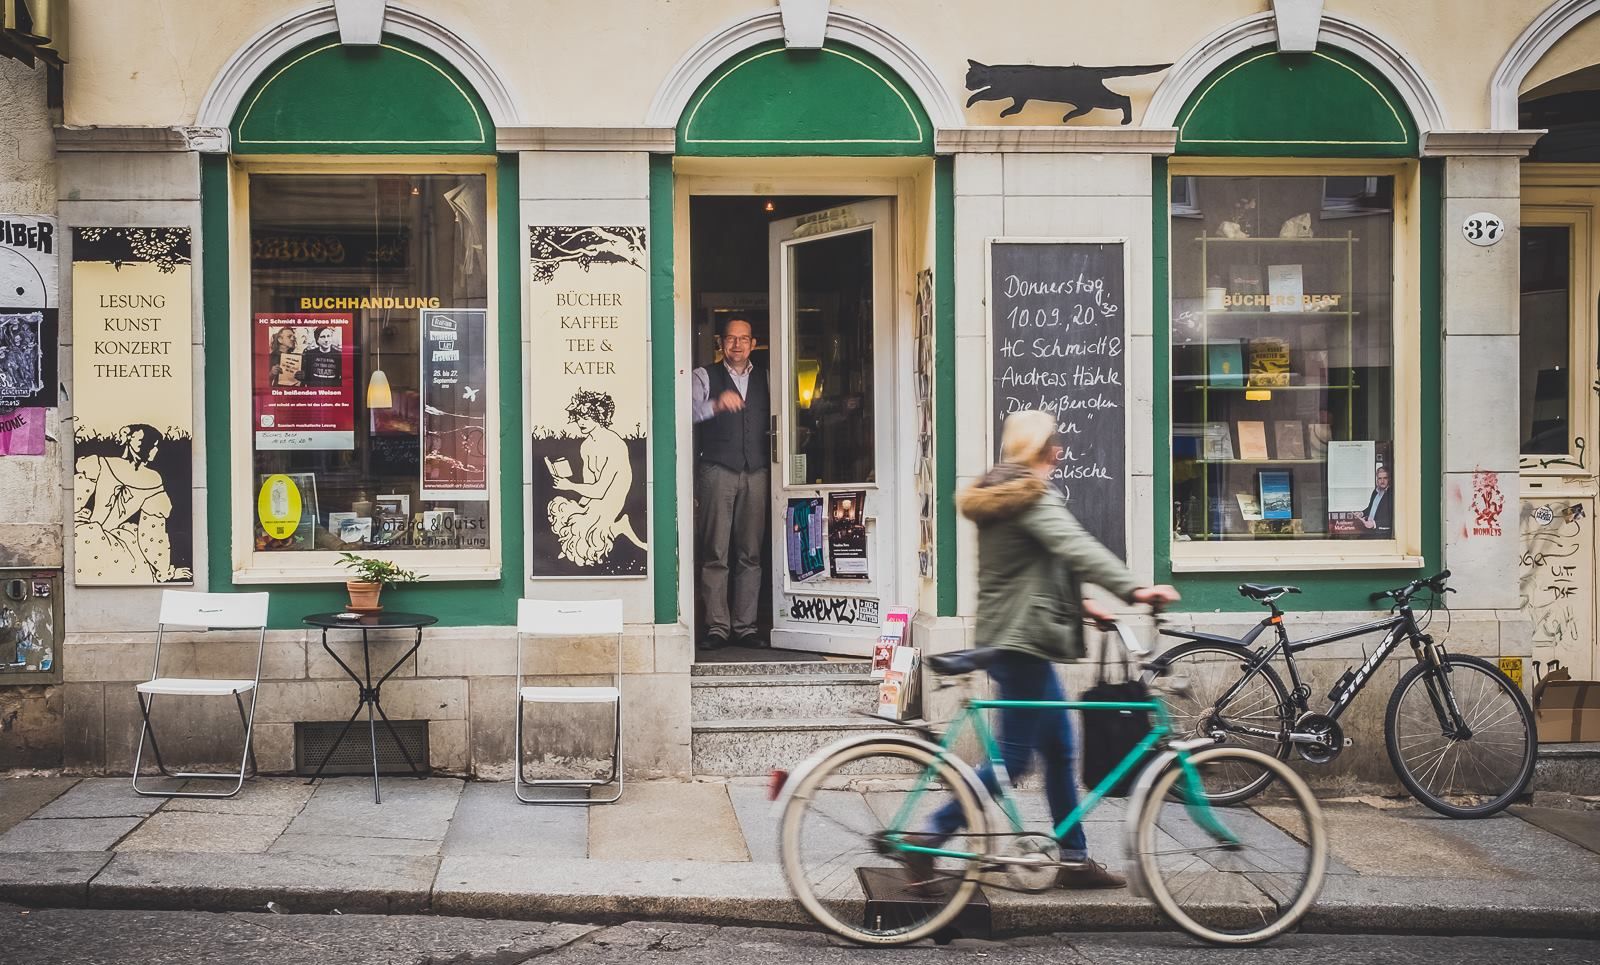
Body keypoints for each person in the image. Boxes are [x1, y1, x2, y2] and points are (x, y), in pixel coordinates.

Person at [907, 409, 1180, 890]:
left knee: (1058, 748)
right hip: (1022, 644)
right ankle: (933, 831)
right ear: (1040, 449)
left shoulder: (1003, 493)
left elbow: (1030, 568)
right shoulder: (1029, 496)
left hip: (1014, 636)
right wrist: (1135, 590)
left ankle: (1073, 857)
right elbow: (1076, 548)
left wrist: (1081, 603)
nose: (1060, 452)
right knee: (1014, 760)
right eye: (1055, 444)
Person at [691, 318, 769, 651]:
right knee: (715, 552)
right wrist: (716, 405)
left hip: (757, 470)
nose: (737, 345)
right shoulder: (704, 375)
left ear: (753, 343)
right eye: (731, 339)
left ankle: (746, 626)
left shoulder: (766, 376)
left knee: (750, 553)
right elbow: (687, 413)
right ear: (721, 343)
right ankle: (717, 626)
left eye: (744, 339)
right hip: (717, 469)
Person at [73, 424, 191, 583]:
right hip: (98, 542)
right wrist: (165, 571)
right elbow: (151, 533)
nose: (155, 451)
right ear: (140, 444)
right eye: (153, 446)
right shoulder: (149, 478)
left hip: (88, 538)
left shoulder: (101, 464)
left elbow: (151, 531)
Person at [546, 390, 647, 566]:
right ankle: (609, 529)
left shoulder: (614, 444)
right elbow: (589, 484)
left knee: (583, 537)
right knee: (560, 510)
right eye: (578, 417)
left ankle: (618, 527)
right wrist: (581, 506)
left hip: (611, 499)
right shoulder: (586, 445)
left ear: (599, 416)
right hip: (594, 497)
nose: (580, 422)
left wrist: (569, 485)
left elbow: (601, 490)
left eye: (586, 418)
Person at [1359, 464, 1393, 535]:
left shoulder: (1392, 495)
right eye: (1380, 478)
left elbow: (1392, 518)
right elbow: (1370, 508)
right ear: (1377, 480)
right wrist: (1361, 513)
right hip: (1368, 530)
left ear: (1389, 479)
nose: (1382, 481)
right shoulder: (1375, 491)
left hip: (1380, 532)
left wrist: (1374, 524)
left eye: (1385, 478)